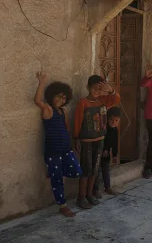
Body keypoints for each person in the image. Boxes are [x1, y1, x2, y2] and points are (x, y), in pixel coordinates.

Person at [34, 70, 82, 217]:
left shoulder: (64, 111)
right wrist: (41, 82)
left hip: (65, 149)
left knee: (76, 171)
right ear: (52, 96)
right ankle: (62, 206)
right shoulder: (48, 110)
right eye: (58, 96)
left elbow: (66, 127)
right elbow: (37, 101)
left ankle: (55, 171)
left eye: (63, 97)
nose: (61, 99)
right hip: (53, 150)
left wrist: (73, 143)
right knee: (57, 180)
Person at [74, 75, 120, 209]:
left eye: (99, 89)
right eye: (94, 88)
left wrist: (110, 90)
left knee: (94, 169)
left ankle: (90, 195)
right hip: (87, 141)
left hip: (100, 140)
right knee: (86, 169)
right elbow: (77, 121)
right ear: (87, 87)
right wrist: (76, 138)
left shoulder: (102, 101)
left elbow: (116, 99)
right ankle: (81, 197)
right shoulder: (83, 102)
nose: (96, 91)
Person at [92, 106, 121, 199]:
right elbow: (101, 140)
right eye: (111, 119)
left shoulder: (115, 130)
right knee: (96, 171)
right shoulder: (103, 128)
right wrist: (103, 149)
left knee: (106, 170)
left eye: (116, 120)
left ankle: (107, 187)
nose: (113, 122)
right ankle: (95, 190)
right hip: (98, 152)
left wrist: (115, 155)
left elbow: (115, 143)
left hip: (106, 154)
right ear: (107, 119)